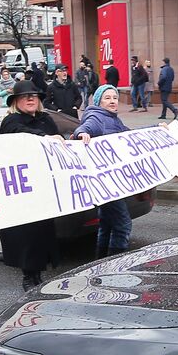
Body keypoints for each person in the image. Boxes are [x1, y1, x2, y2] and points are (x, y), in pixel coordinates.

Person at [0, 81, 65, 290]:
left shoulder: (46, 119)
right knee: (26, 233)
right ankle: (28, 276)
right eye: (25, 96)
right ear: (16, 102)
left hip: (43, 185)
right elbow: (20, 134)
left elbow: (58, 142)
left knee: (43, 232)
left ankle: (38, 274)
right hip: (23, 189)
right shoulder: (11, 121)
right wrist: (44, 138)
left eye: (34, 96)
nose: (30, 99)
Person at [73, 86, 132, 257]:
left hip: (111, 181)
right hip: (106, 183)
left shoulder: (114, 120)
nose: (113, 101)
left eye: (115, 97)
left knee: (106, 224)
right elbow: (84, 128)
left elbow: (131, 135)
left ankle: (99, 263)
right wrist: (81, 133)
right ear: (99, 101)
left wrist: (156, 128)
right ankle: (115, 264)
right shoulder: (97, 117)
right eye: (107, 98)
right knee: (123, 225)